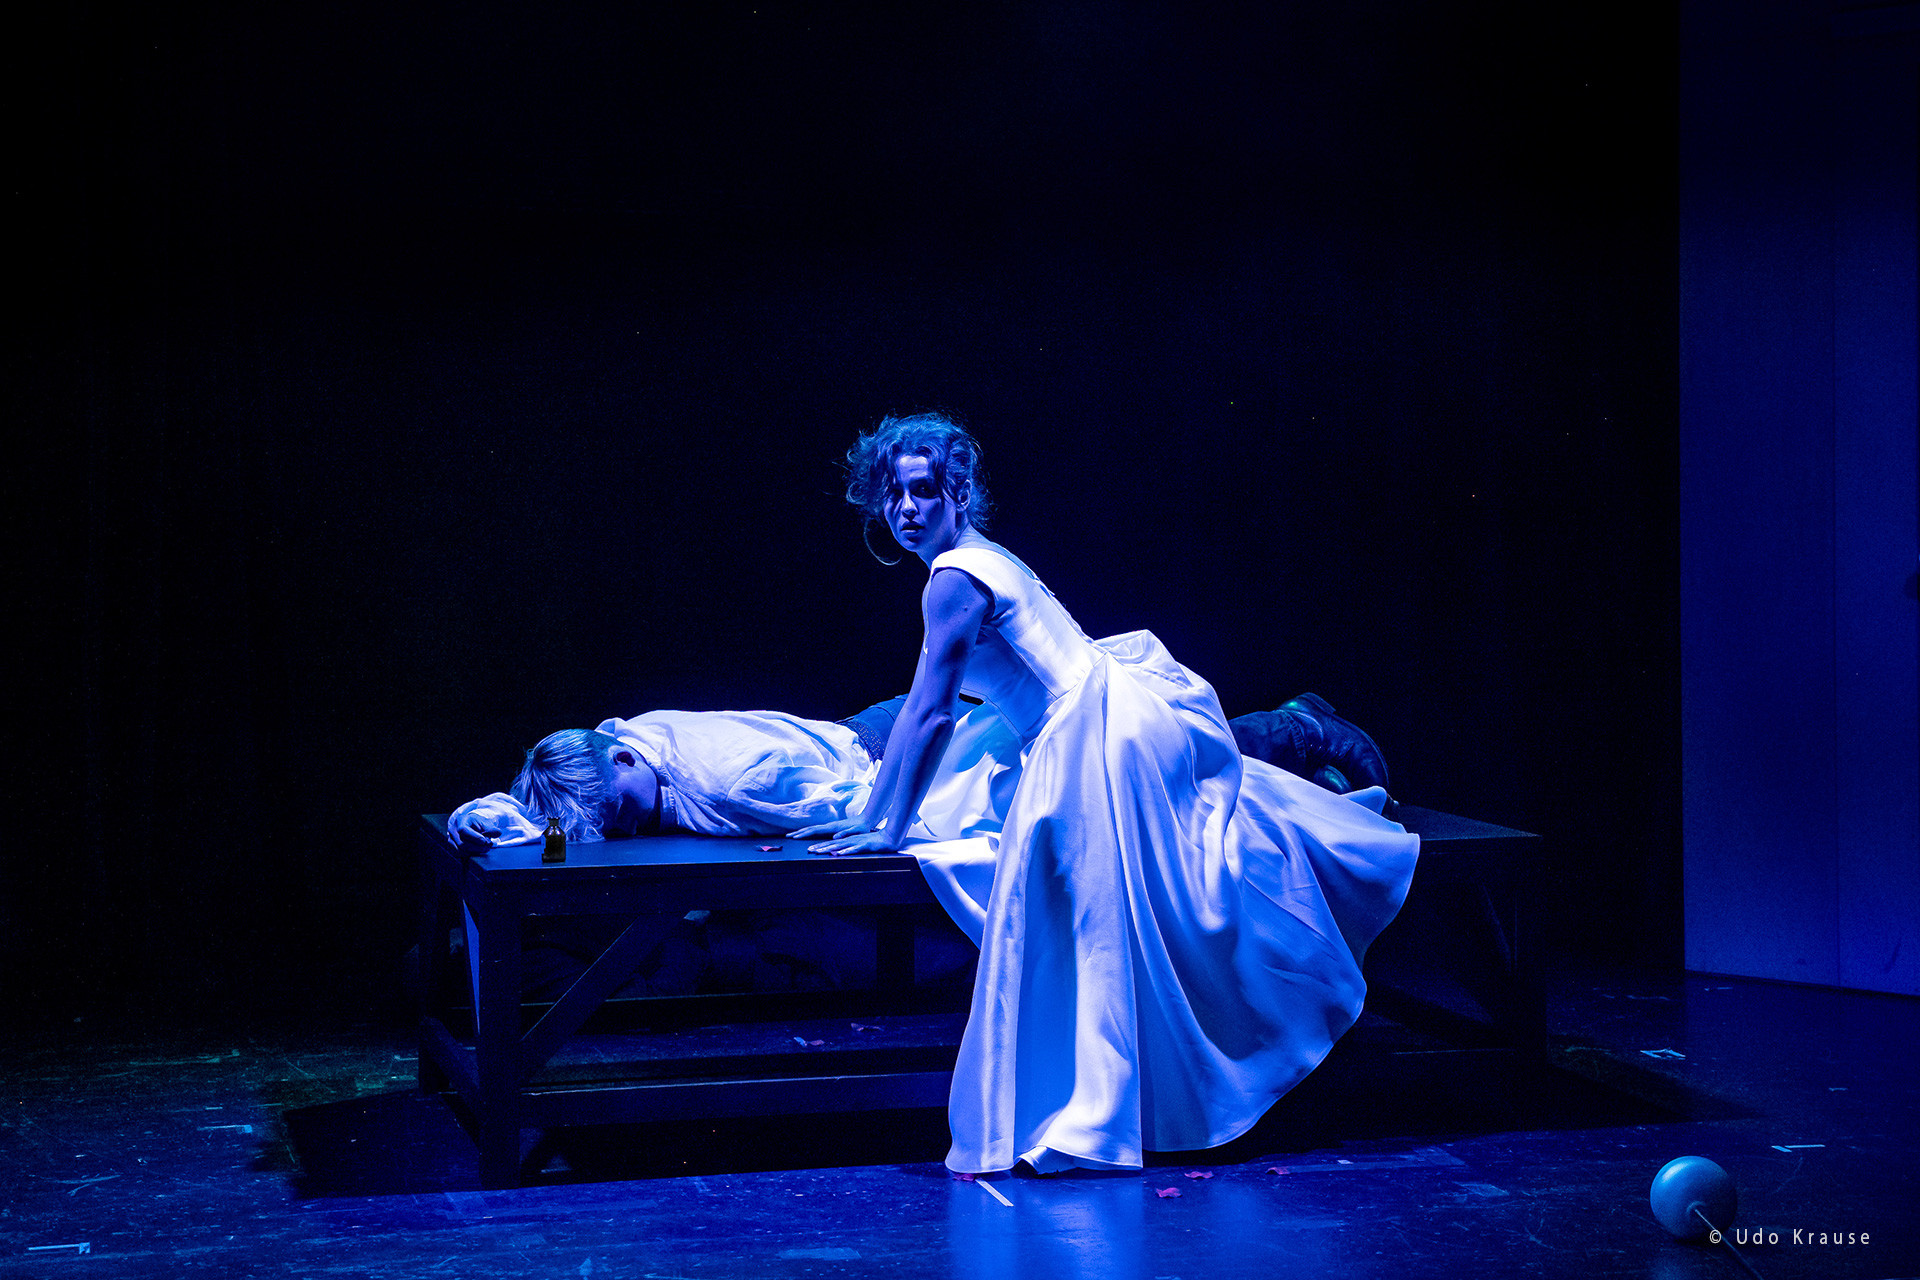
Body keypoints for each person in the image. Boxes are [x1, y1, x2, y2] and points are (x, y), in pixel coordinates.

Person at [807, 412, 1420, 1175]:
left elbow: (930, 713)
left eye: (923, 491)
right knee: (1165, 886)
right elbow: (920, 710)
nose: (905, 509)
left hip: (1090, 734)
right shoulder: (972, 559)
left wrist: (888, 830)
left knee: (1106, 909)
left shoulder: (954, 578)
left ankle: (1127, 1093)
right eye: (893, 494)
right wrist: (874, 815)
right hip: (1101, 713)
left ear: (957, 492)